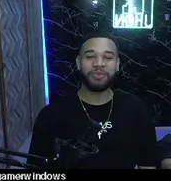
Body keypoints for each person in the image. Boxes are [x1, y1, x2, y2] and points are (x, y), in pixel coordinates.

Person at [28, 36, 159, 169]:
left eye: (108, 57)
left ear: (117, 64)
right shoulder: (51, 115)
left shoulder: (137, 111)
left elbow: (148, 165)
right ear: (78, 62)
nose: (99, 63)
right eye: (90, 56)